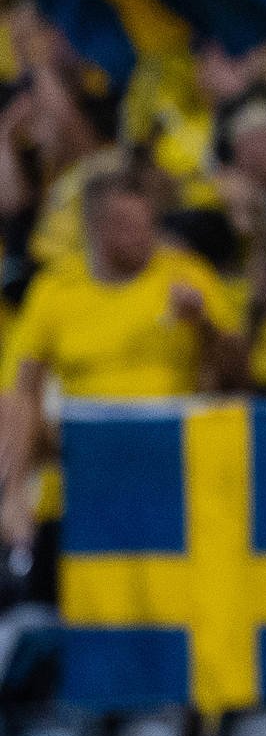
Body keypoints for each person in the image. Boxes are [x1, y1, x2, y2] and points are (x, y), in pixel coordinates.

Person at [0, 170, 248, 589]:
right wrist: (14, 485)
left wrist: (203, 324)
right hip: (84, 449)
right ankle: (19, 516)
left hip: (166, 450)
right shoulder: (56, 289)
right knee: (22, 407)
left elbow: (236, 376)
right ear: (96, 229)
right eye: (127, 226)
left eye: (147, 224)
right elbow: (21, 389)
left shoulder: (185, 274)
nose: (143, 237)